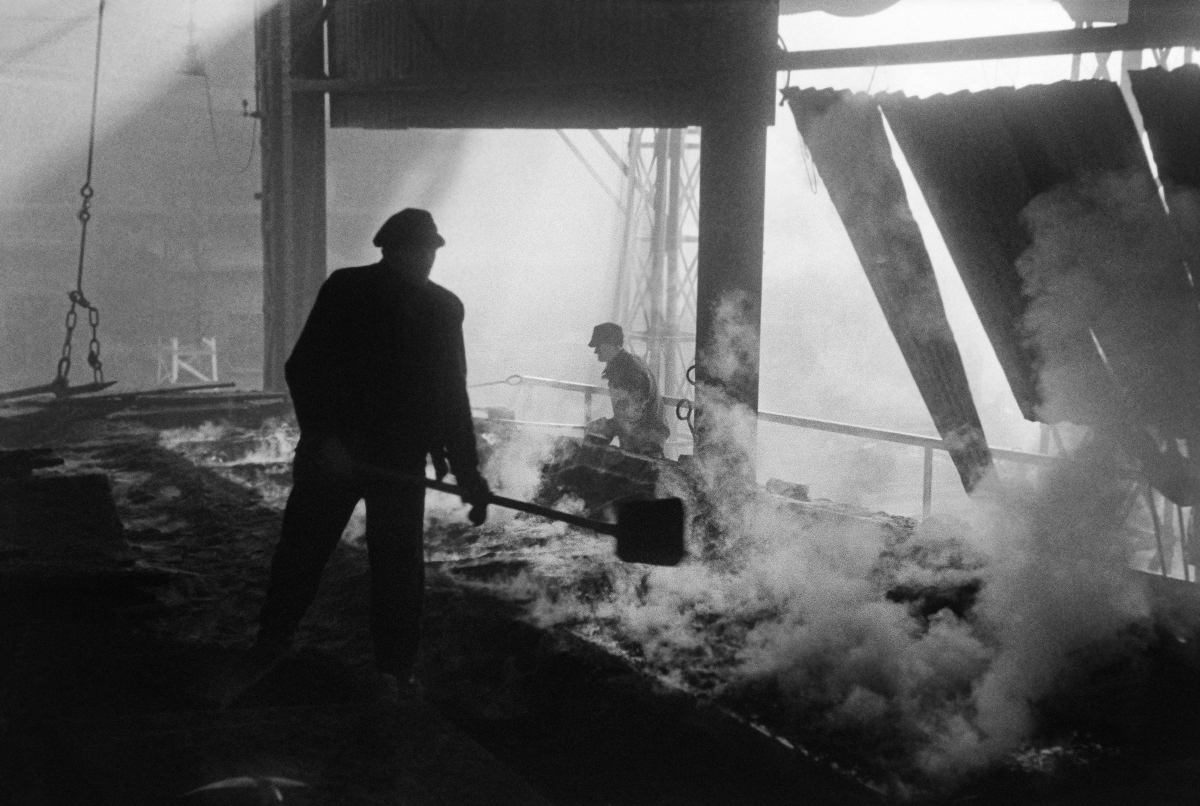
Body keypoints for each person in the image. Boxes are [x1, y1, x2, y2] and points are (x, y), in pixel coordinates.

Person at [244, 208, 489, 701]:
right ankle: (271, 643)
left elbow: (450, 396)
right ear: (391, 250)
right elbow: (304, 369)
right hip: (340, 452)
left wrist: (469, 474)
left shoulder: (444, 309)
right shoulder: (347, 291)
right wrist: (327, 439)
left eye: (431, 251)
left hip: (396, 460)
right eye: (419, 250)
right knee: (303, 551)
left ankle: (394, 670)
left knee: (397, 567)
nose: (426, 259)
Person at [585, 322, 670, 457]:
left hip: (645, 439)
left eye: (598, 346)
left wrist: (605, 428)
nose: (596, 351)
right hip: (648, 434)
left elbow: (634, 414)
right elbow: (629, 413)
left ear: (610, 344)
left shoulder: (627, 371)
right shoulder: (629, 363)